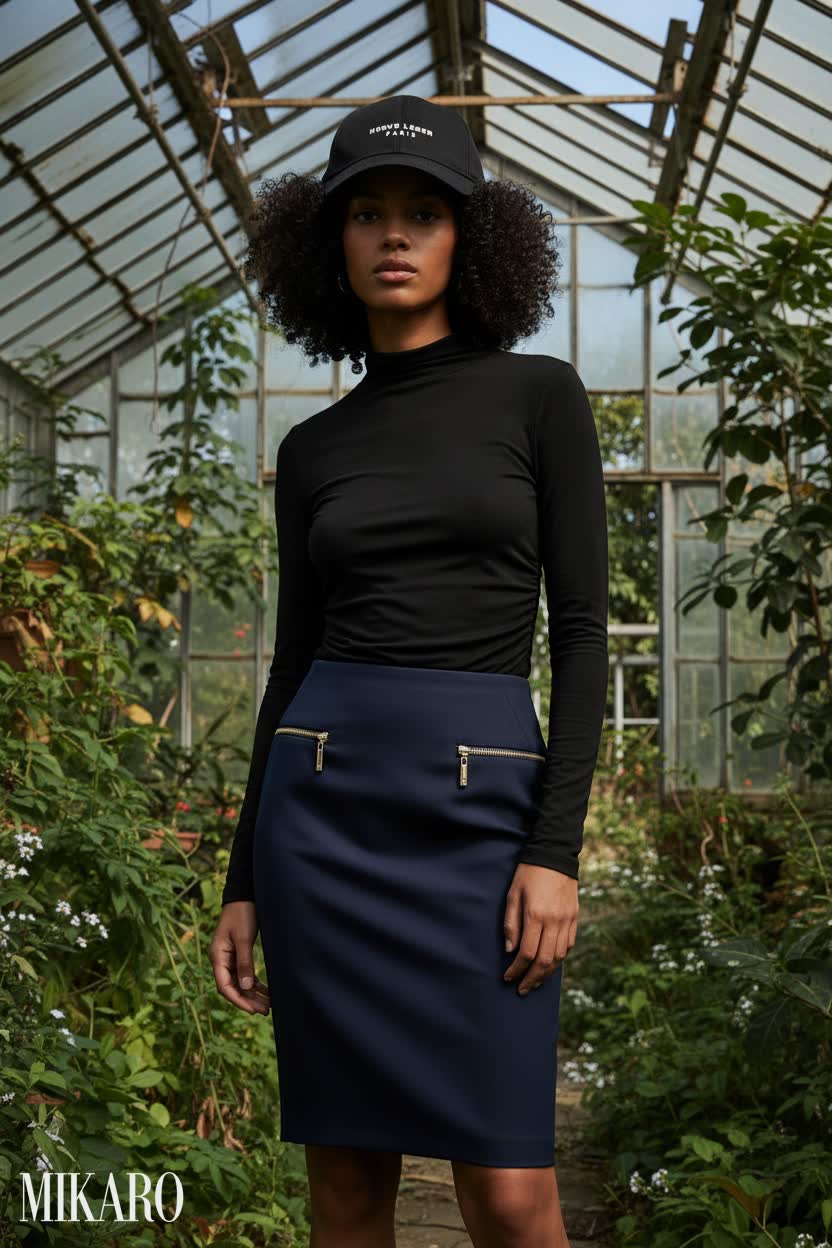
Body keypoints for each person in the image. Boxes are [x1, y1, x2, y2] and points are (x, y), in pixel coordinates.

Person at [210, 94, 608, 1248]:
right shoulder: (312, 448)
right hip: (321, 822)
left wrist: (552, 853)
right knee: (343, 1191)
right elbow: (291, 665)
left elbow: (578, 634)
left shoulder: (540, 396)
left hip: (484, 824)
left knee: (511, 1190)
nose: (394, 234)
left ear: (468, 241)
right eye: (368, 212)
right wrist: (242, 880)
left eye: (424, 213)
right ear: (326, 242)